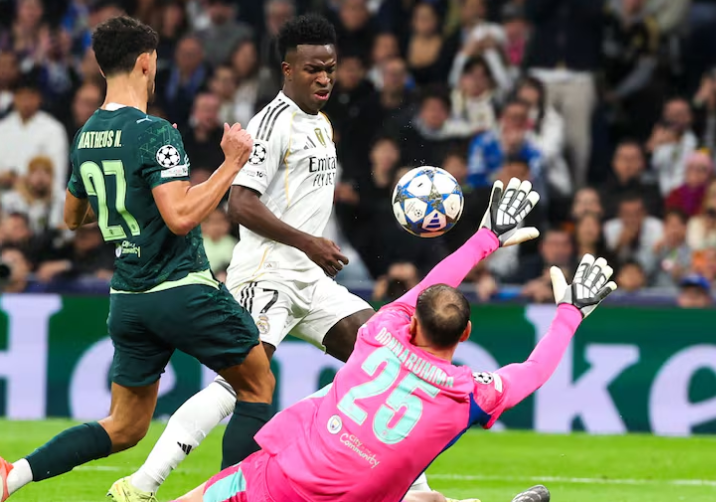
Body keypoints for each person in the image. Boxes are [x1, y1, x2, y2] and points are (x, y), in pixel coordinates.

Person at [116, 14, 462, 502]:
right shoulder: (270, 124)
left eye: (330, 69)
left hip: (310, 279)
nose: (324, 78)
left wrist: (312, 247)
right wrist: (308, 242)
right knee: (238, 387)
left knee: (387, 357)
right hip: (267, 275)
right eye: (313, 69)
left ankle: (412, 488)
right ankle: (140, 485)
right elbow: (240, 203)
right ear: (287, 69)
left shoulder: (321, 123)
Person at [0, 16, 275, 502]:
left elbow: (72, 216)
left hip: (129, 299)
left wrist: (138, 189)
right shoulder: (154, 132)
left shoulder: (87, 133)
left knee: (125, 426)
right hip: (181, 289)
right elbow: (180, 217)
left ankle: (10, 475)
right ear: (146, 62)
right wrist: (232, 163)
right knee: (257, 384)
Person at [167, 178, 615, 502]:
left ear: (412, 320)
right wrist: (570, 313)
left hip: (277, 475)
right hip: (349, 495)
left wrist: (486, 238)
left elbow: (433, 283)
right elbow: (533, 372)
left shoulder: (380, 331)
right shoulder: (466, 394)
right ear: (466, 334)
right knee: (418, 496)